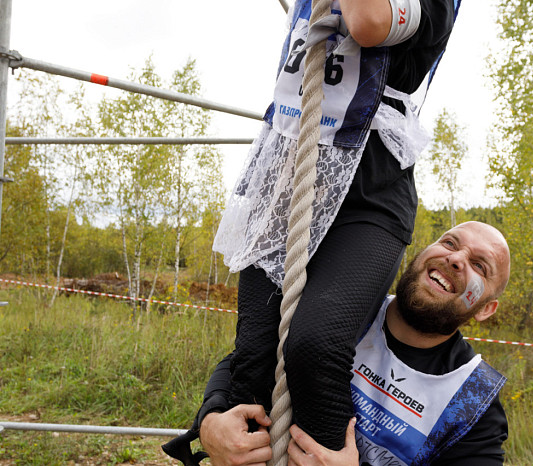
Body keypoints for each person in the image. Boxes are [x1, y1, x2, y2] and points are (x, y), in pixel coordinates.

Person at [198, 0, 462, 454]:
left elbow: (369, 22)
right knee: (253, 360)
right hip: (285, 178)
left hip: (370, 191)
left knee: (314, 346)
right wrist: (208, 425)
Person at [164, 221, 511, 465]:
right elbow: (243, 362)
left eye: (480, 266)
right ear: (423, 253)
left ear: (487, 309)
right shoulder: (340, 309)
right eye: (449, 242)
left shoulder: (473, 403)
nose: (455, 258)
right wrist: (210, 422)